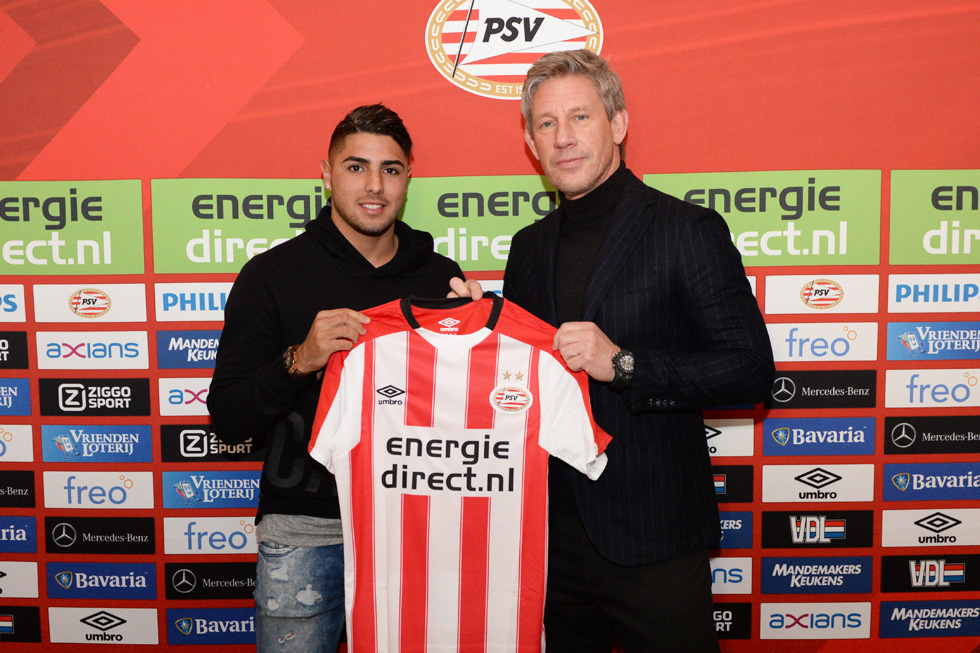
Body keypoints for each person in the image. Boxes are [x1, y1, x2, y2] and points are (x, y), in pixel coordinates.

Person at [501, 50, 775, 651]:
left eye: (580, 117)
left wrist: (624, 366)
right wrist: (478, 329)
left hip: (654, 536)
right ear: (530, 142)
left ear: (618, 123)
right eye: (546, 123)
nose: (563, 137)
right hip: (550, 536)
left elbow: (751, 369)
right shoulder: (527, 247)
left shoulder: (686, 230)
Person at [208, 104, 480, 652]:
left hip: (419, 525)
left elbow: (469, 412)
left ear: (408, 178)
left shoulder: (440, 278)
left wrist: (476, 345)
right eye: (356, 167)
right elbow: (229, 416)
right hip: (307, 531)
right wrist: (300, 359)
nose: (374, 185)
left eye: (390, 169)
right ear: (327, 175)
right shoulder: (271, 276)